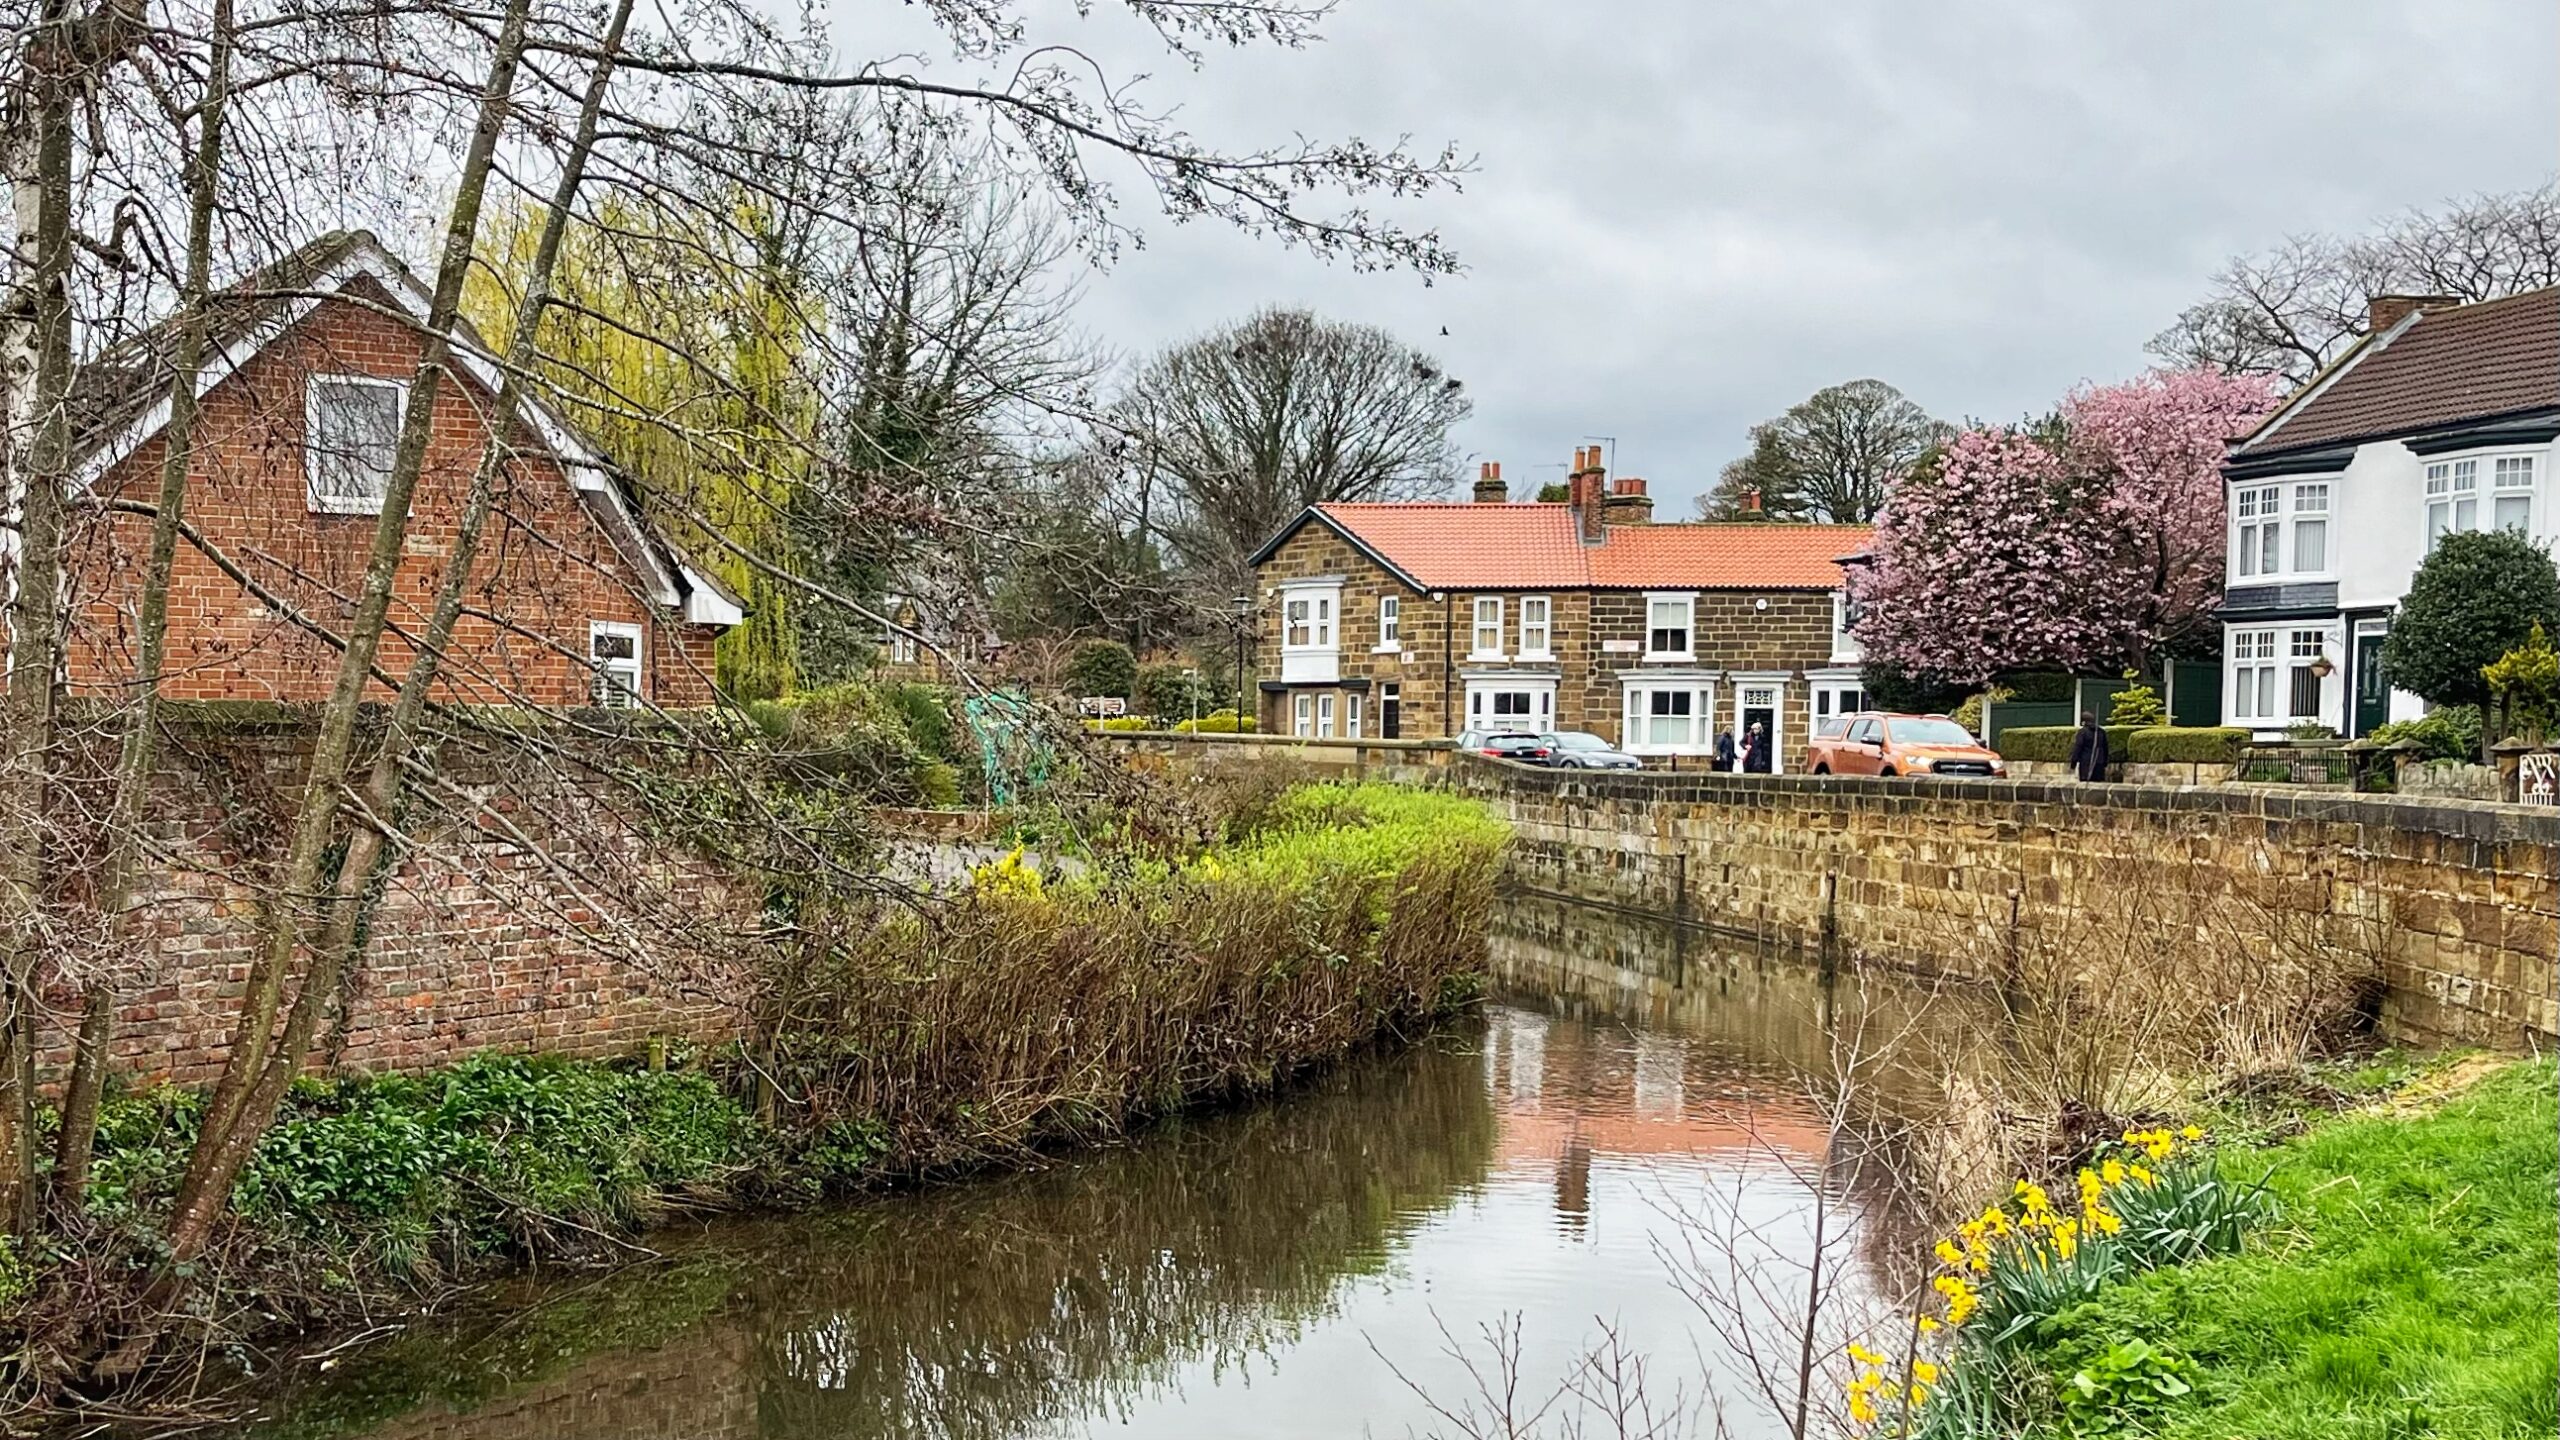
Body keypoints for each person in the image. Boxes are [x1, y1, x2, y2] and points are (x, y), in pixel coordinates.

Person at [2068, 711, 2110, 782]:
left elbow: (2078, 748)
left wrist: (2073, 763)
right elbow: (2105, 748)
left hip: (2086, 764)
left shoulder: (2083, 732)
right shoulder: (2101, 732)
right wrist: (2105, 762)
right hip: (2099, 763)